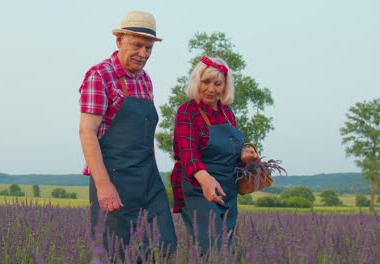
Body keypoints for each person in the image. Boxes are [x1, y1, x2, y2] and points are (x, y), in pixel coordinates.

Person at [78, 10, 177, 257]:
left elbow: (145, 137)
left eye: (149, 48)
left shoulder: (145, 80)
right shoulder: (100, 75)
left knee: (164, 247)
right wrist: (103, 186)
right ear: (119, 40)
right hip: (115, 180)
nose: (143, 54)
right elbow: (87, 132)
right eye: (137, 45)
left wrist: (156, 178)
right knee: (117, 253)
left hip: (148, 180)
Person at [170, 56, 258, 254]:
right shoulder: (187, 111)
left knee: (225, 249)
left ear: (225, 86)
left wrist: (244, 158)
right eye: (206, 81)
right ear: (196, 82)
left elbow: (232, 154)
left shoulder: (227, 113)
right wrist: (206, 181)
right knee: (212, 249)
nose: (212, 89)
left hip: (227, 189)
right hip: (199, 189)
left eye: (218, 83)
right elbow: (188, 155)